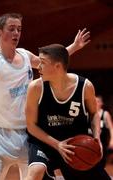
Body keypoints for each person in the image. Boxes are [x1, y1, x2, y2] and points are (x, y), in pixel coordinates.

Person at [0, 13, 90, 180]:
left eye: (19, 29)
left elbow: (51, 63)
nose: (16, 33)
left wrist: (74, 46)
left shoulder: (25, 55)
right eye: (11, 29)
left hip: (27, 135)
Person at [25, 43, 111, 180]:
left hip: (73, 145)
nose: (38, 67)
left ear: (57, 66)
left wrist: (96, 138)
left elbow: (94, 114)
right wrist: (57, 145)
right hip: (45, 143)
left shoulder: (85, 86)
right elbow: (31, 125)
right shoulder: (35, 88)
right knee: (36, 171)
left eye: (42, 63)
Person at [96, 95, 113, 167]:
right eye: (94, 101)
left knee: (101, 162)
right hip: (92, 140)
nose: (96, 103)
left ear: (101, 103)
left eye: (98, 101)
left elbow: (111, 128)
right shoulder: (89, 113)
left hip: (102, 142)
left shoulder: (105, 114)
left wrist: (112, 140)